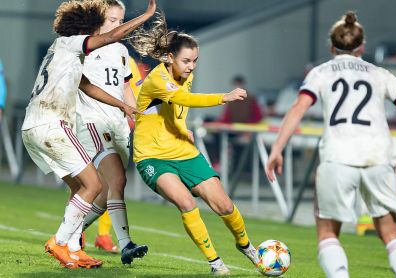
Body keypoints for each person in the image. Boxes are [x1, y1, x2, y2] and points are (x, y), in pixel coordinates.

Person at [266, 11, 396, 278]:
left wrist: (276, 149)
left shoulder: (320, 73)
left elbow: (298, 108)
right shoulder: (379, 73)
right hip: (378, 157)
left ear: (332, 48)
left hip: (337, 156)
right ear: (362, 47)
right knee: (390, 231)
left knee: (328, 232)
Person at [21, 0, 156, 269]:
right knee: (95, 186)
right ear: (87, 28)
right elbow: (111, 36)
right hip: (51, 124)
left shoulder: (60, 50)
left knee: (80, 187)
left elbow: (88, 86)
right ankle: (59, 241)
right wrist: (147, 15)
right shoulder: (73, 43)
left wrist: (123, 106)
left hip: (36, 126)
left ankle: (73, 248)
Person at [129, 13, 258, 275]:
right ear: (169, 58)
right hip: (152, 156)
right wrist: (225, 97)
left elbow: (174, 109)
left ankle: (246, 246)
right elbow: (185, 100)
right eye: (186, 60)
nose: (191, 66)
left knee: (224, 205)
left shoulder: (184, 75)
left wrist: (181, 128)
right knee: (186, 202)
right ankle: (215, 263)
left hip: (183, 150)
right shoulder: (157, 79)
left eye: (195, 61)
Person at [73, 0, 147, 264]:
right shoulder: (84, 46)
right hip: (93, 122)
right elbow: (80, 85)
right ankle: (126, 243)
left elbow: (126, 87)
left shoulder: (121, 51)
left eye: (120, 20)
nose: (118, 25)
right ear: (99, 20)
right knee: (116, 181)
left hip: (117, 123)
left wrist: (135, 114)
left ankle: (71, 233)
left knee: (107, 191)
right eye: (113, 20)